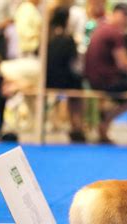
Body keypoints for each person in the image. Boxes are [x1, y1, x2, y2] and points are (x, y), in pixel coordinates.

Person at [84, 3, 127, 143]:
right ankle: (106, 122)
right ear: (117, 14)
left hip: (95, 79)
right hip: (106, 80)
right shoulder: (114, 32)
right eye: (126, 16)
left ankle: (105, 120)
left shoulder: (102, 27)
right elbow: (123, 62)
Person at [47, 6, 85, 142]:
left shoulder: (48, 37)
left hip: (48, 79)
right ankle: (77, 125)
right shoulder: (68, 39)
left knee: (75, 83)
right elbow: (73, 62)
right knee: (78, 86)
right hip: (62, 80)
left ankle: (73, 125)